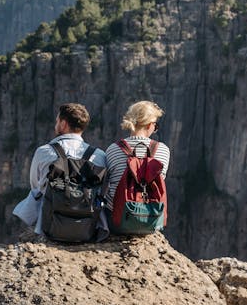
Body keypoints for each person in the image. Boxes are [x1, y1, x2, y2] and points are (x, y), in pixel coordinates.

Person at [13, 102, 107, 237]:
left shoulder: (43, 151)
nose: (55, 124)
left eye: (57, 120)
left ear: (63, 124)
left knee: (38, 192)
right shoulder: (99, 155)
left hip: (50, 227)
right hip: (88, 228)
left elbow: (36, 185)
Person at [105, 101, 170, 231]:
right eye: (155, 125)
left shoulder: (112, 149)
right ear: (150, 125)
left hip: (117, 223)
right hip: (151, 220)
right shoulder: (163, 150)